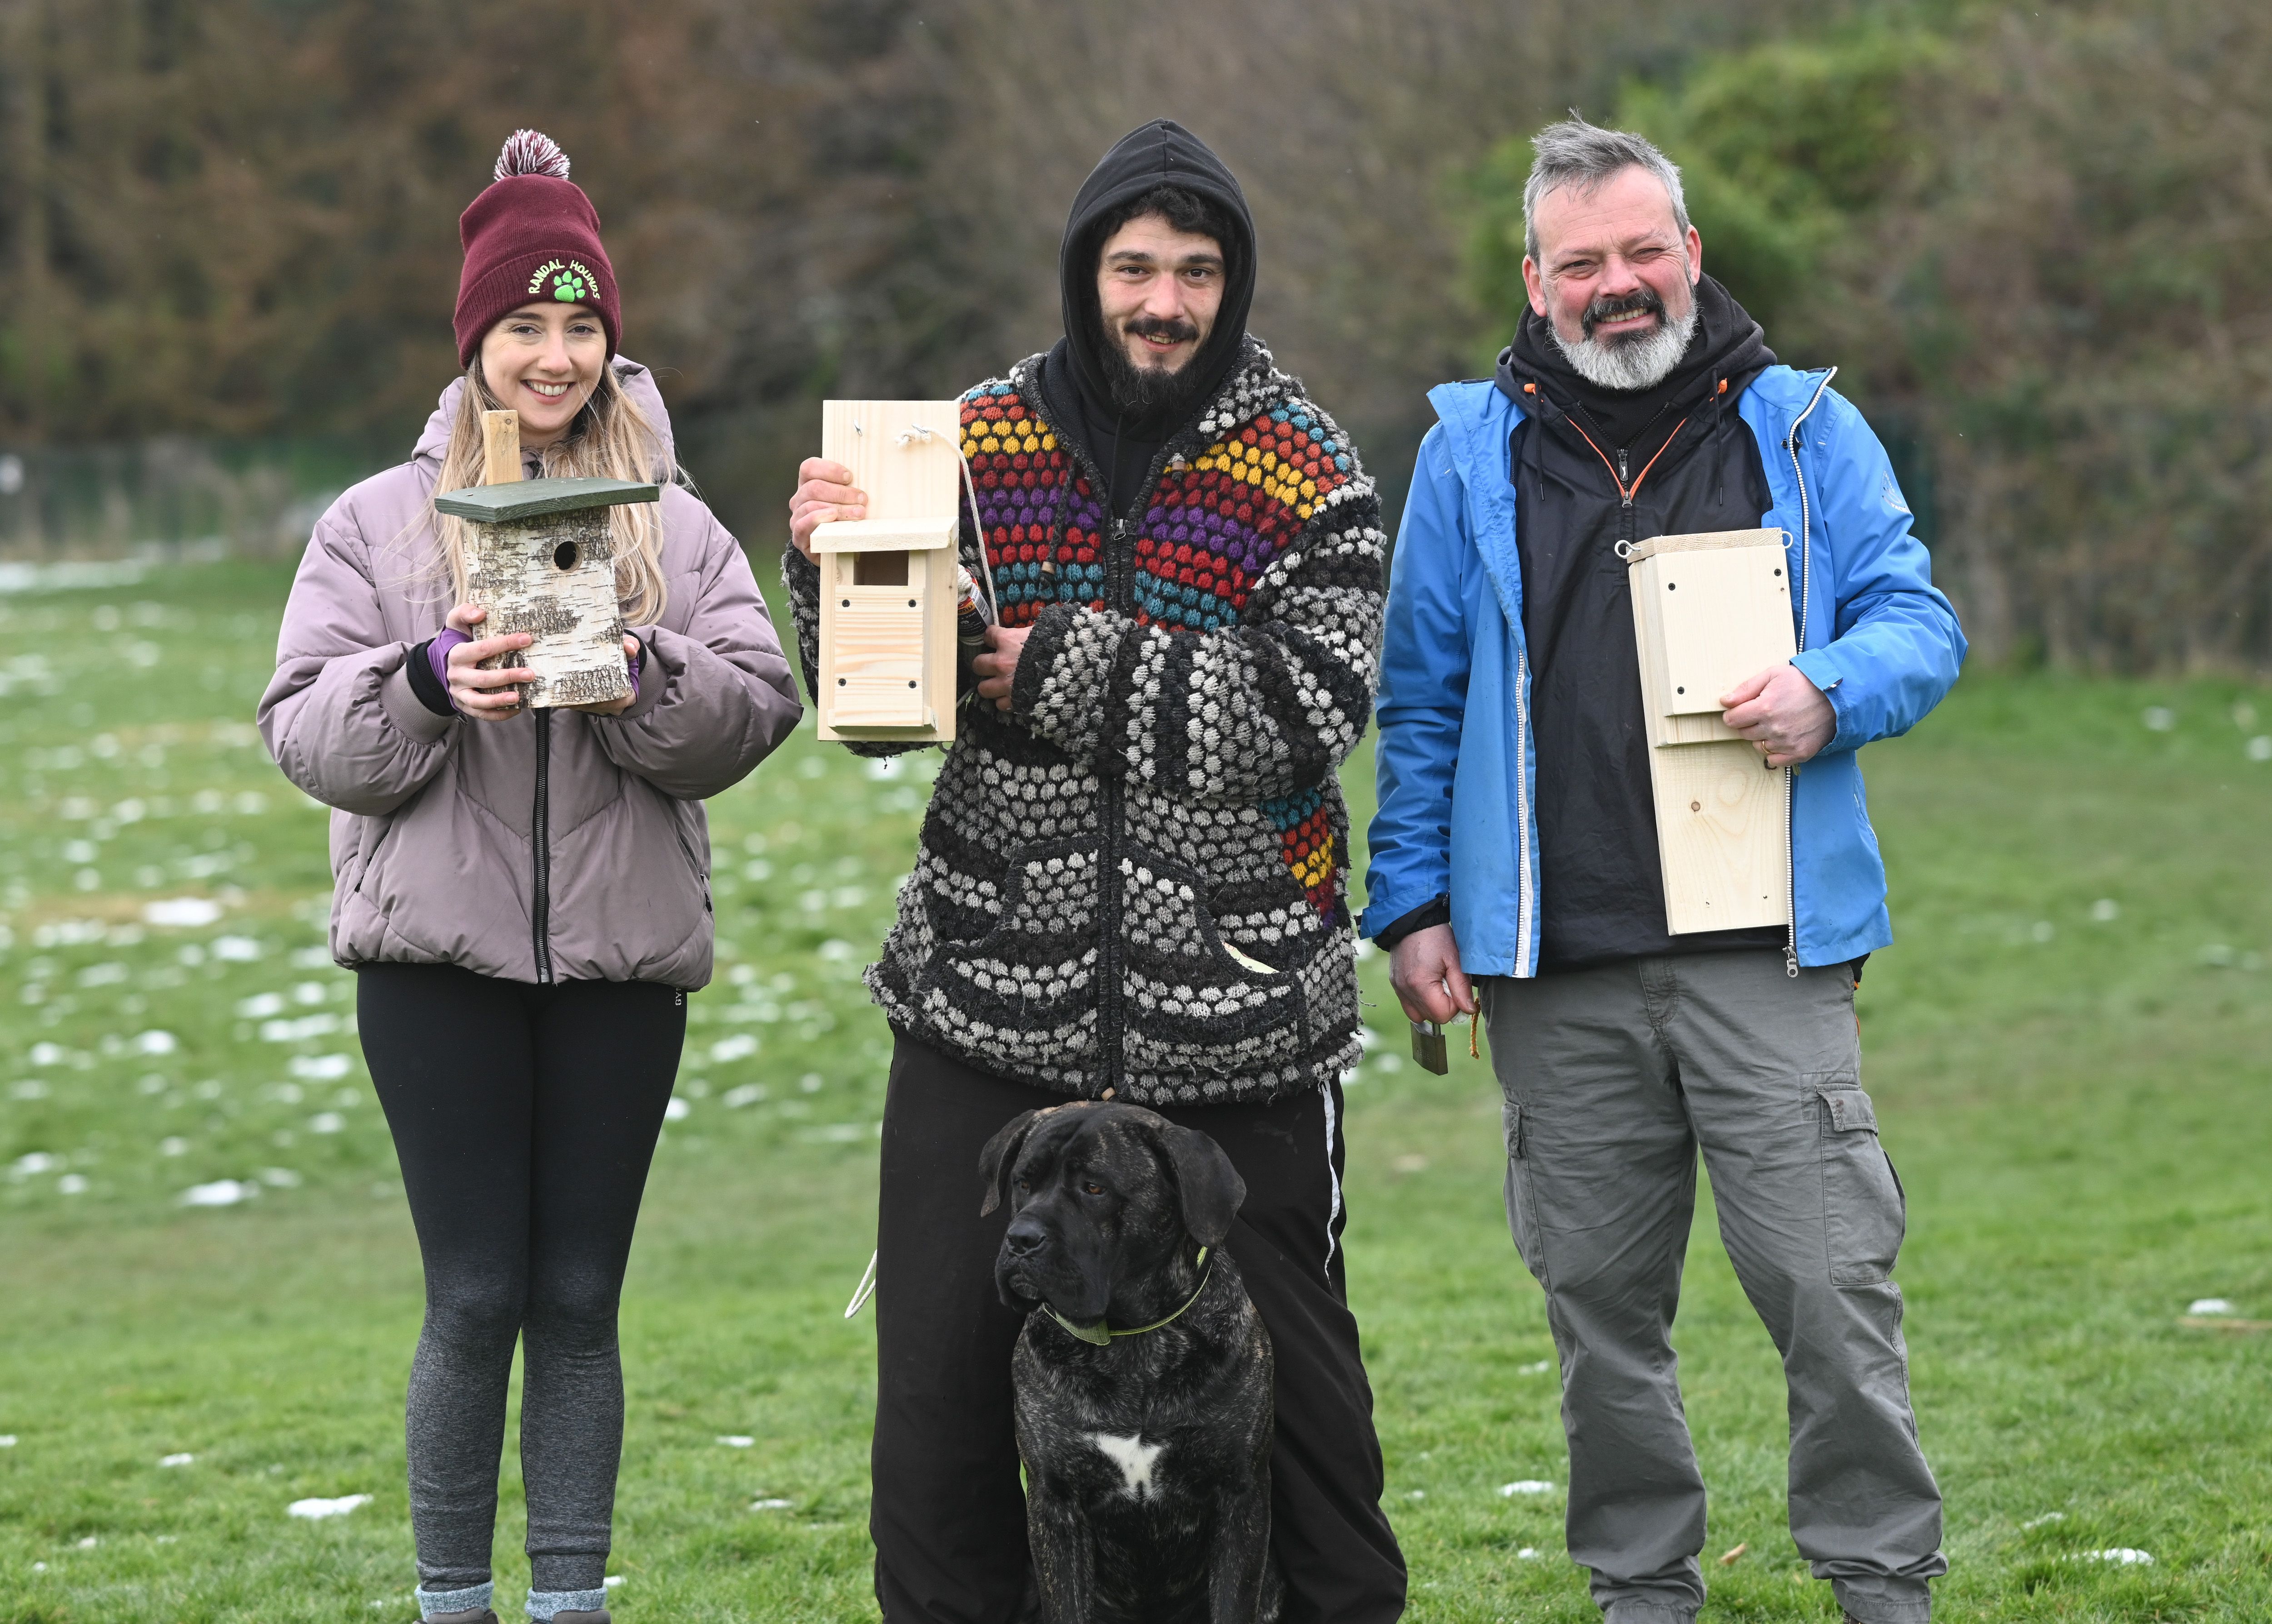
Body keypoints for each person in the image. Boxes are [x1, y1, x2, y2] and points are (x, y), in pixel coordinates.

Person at [784, 119, 1405, 1624]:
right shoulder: (964, 449)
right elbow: (885, 720)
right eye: (1135, 268)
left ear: (1233, 285)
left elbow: (1304, 710)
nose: (1164, 303)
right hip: (987, 1003)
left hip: (1242, 1021)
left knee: (1311, 1430)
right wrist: (832, 582)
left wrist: (1058, 663)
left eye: (1197, 272)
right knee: (936, 1415)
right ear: (1084, 274)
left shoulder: (1309, 471)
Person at [1363, 118, 1964, 1624]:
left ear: (1691, 253)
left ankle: (1882, 1582)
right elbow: (1421, 698)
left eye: (1642, 252)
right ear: (1537, 279)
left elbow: (1920, 621)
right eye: (1583, 265)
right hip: (1554, 968)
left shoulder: (1809, 430)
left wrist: (1831, 686)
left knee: (1831, 1295)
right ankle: (1644, 1592)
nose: (1617, 286)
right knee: (1598, 1318)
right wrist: (1417, 906)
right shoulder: (1463, 454)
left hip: (1768, 950)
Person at [259, 130, 801, 1624]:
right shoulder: (375, 523)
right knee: (477, 1296)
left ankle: (571, 1603)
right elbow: (306, 733)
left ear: (610, 340)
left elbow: (757, 709)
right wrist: (428, 682)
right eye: (524, 327)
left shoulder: (677, 526)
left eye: (580, 327)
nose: (554, 357)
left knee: (578, 1304)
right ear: (476, 340)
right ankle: (454, 1601)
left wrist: (646, 675)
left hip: (621, 972)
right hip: (435, 972)